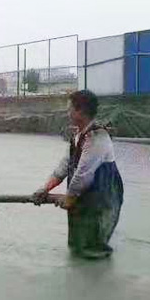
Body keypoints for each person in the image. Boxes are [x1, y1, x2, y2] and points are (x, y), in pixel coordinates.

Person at [33, 90, 124, 259]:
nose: (68, 113)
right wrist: (44, 189)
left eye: (70, 109)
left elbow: (84, 173)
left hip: (101, 194)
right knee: (79, 243)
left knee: (94, 244)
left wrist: (69, 198)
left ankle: (95, 279)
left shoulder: (98, 137)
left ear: (80, 111)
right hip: (83, 193)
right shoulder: (79, 136)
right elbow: (65, 165)